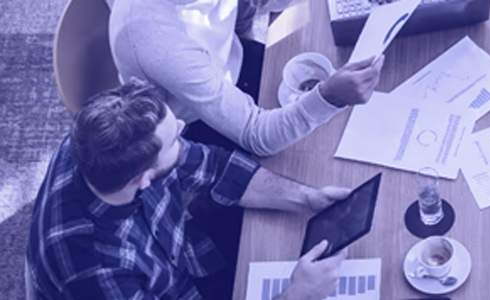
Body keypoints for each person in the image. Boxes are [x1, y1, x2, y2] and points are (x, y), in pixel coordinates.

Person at [27, 79, 353, 299]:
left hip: (183, 258)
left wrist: (306, 197)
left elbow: (216, 168)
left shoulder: (101, 144)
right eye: (174, 139)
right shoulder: (96, 269)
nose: (183, 127)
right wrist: (299, 293)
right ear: (142, 179)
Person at [108, 0, 385, 156]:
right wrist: (329, 98)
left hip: (233, 60)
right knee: (324, 160)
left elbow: (247, 13)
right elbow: (258, 135)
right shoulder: (149, 33)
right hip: (196, 122)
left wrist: (249, 14)